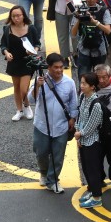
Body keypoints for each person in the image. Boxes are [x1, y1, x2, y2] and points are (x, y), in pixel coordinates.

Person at [28, 52, 77, 194]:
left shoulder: (69, 83)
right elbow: (30, 100)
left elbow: (73, 103)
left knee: (58, 156)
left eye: (61, 67)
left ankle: (53, 180)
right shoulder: (40, 80)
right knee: (41, 153)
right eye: (56, 67)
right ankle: (43, 172)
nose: (59, 70)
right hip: (42, 125)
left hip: (61, 125)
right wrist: (37, 86)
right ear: (48, 68)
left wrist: (72, 119)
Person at [75, 72, 107, 209]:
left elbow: (91, 126)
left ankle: (96, 197)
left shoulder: (96, 104)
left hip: (92, 141)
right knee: (86, 169)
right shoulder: (83, 97)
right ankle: (92, 191)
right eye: (81, 83)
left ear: (92, 86)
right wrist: (79, 133)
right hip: (83, 140)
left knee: (93, 169)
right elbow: (80, 117)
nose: (81, 86)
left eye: (84, 84)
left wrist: (80, 134)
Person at [0, 6, 36, 121]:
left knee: (24, 89)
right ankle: (19, 110)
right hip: (14, 61)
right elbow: (3, 45)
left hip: (27, 61)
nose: (16, 18)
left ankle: (27, 105)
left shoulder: (31, 28)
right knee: (16, 87)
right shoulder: (7, 29)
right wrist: (6, 53)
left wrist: (33, 51)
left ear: (23, 15)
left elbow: (37, 43)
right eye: (13, 16)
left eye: (18, 15)